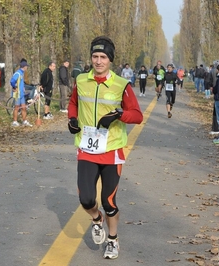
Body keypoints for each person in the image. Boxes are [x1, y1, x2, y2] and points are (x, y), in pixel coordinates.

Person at [67, 36, 143, 260]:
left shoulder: (122, 85)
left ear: (110, 60)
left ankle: (112, 240)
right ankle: (96, 219)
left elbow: (137, 115)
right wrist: (72, 119)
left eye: (103, 57)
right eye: (95, 56)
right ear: (90, 58)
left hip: (111, 150)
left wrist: (120, 114)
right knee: (86, 200)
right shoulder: (81, 80)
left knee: (109, 202)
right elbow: (74, 103)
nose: (98, 61)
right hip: (87, 148)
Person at [10, 61, 33, 127]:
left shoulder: (22, 73)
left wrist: (23, 88)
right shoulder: (18, 73)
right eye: (26, 66)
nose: (27, 68)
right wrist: (14, 87)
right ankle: (14, 121)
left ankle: (24, 121)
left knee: (24, 107)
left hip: (22, 94)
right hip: (17, 94)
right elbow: (12, 81)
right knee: (17, 107)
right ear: (24, 67)